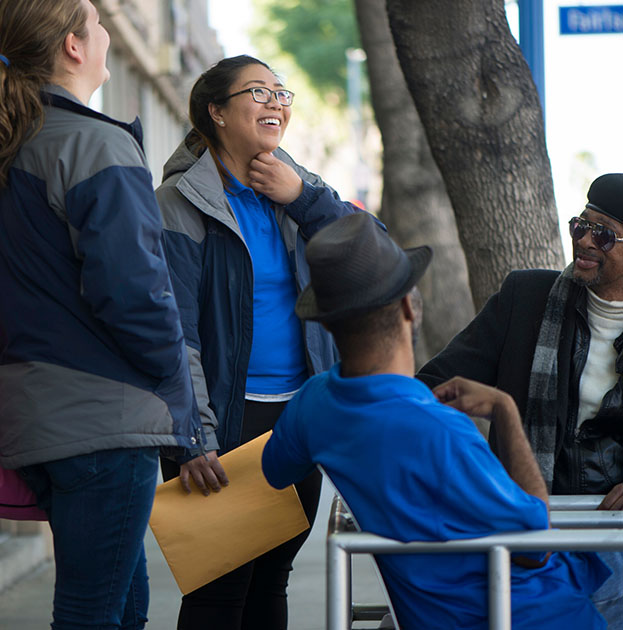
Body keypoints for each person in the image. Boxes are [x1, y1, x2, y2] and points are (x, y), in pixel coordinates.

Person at [262, 212, 610, 630]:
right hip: (530, 614)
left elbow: (275, 470)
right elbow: (533, 543)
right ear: (409, 306)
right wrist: (505, 410)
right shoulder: (443, 432)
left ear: (327, 321)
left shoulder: (312, 404)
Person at [0, 1, 207, 628]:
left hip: (35, 412)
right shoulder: (94, 143)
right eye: (98, 22)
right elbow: (137, 295)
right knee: (94, 614)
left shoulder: (19, 143)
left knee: (123, 607)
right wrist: (180, 400)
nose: (109, 33)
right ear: (73, 45)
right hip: (102, 419)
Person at [155, 54, 360, 630]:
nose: (276, 102)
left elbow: (376, 260)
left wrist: (304, 198)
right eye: (259, 92)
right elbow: (173, 331)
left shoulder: (298, 191)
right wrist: (194, 436)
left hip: (298, 418)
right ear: (216, 112)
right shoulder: (178, 205)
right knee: (220, 592)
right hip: (223, 421)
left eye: (281, 93)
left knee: (273, 582)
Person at [417, 172, 623, 626]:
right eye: (579, 225)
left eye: (603, 234)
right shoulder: (526, 299)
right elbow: (432, 388)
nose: (585, 241)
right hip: (531, 527)